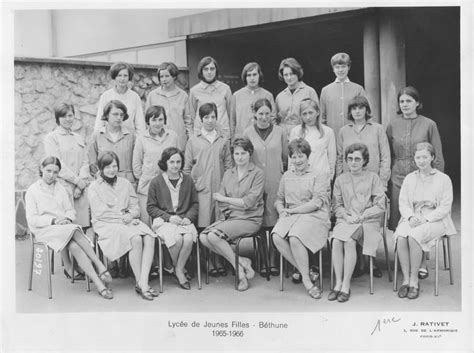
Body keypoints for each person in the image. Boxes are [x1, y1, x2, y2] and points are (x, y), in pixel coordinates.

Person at [25, 157, 113, 299]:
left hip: (63, 229)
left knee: (74, 246)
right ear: (41, 168)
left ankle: (99, 284)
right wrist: (53, 220)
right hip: (44, 230)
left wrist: (66, 219)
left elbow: (70, 210)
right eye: (48, 171)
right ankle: (100, 266)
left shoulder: (61, 188)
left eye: (55, 172)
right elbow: (32, 219)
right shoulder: (32, 191)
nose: (51, 175)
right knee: (75, 230)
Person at [386, 86, 445, 279]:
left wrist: (436, 181)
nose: (405, 105)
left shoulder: (429, 124)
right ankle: (403, 258)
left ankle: (421, 262)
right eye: (402, 101)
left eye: (409, 101)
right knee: (401, 217)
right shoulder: (392, 125)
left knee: (422, 217)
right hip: (398, 177)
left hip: (424, 177)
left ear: (417, 103)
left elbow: (437, 155)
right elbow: (387, 154)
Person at [88, 151, 158, 300]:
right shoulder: (94, 187)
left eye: (114, 166)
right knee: (136, 238)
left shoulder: (125, 183)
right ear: (101, 168)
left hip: (127, 221)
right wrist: (123, 218)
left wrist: (131, 215)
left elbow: (136, 207)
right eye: (107, 167)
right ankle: (141, 283)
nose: (112, 170)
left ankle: (142, 281)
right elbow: (100, 213)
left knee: (150, 236)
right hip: (106, 224)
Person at [199, 137, 265, 291]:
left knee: (213, 236)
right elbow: (220, 202)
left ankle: (240, 274)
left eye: (243, 153)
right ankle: (242, 261)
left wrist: (227, 200)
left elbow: (249, 202)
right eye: (236, 154)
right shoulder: (229, 173)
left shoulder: (257, 173)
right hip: (232, 217)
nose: (240, 157)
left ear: (250, 153)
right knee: (203, 237)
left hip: (250, 218)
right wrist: (231, 205)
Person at [393, 142, 455, 299]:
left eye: (425, 157)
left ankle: (414, 281)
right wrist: (410, 216)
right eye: (418, 157)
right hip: (413, 216)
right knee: (401, 235)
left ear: (432, 157)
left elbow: (445, 207)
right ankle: (405, 280)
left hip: (435, 219)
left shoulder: (443, 179)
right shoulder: (409, 178)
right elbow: (403, 202)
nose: (421, 161)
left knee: (414, 236)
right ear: (414, 159)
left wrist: (425, 219)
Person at [272, 138, 331, 299]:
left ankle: (306, 280)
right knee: (276, 236)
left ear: (308, 157)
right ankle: (308, 272)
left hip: (313, 215)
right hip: (291, 215)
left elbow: (317, 202)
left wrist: (293, 211)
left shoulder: (318, 174)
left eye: (301, 156)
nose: (297, 161)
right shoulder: (287, 175)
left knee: (294, 237)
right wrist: (281, 209)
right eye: (294, 157)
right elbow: (278, 199)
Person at [329, 143, 385, 303]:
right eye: (350, 159)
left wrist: (361, 216)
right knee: (336, 241)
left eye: (357, 159)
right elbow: (336, 205)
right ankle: (338, 282)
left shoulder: (373, 178)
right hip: (346, 220)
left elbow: (380, 205)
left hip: (367, 221)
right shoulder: (340, 180)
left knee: (348, 241)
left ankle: (346, 285)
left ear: (364, 160)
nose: (353, 162)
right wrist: (346, 217)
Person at [184, 102, 233, 276]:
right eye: (206, 117)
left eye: (213, 117)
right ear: (201, 119)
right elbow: (187, 168)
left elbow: (229, 166)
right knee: (204, 224)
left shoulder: (223, 139)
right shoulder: (194, 140)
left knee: (218, 224)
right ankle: (209, 261)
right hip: (201, 189)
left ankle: (219, 258)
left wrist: (227, 187)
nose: (210, 120)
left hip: (220, 189)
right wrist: (193, 185)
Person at [243, 98, 288, 276]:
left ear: (272, 114)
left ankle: (274, 258)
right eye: (260, 113)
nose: (263, 117)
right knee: (259, 220)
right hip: (255, 182)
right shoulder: (247, 132)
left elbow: (285, 157)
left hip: (276, 180)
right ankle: (261, 259)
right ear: (254, 114)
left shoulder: (280, 132)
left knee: (276, 219)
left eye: (267, 113)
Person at [147, 147, 199, 290]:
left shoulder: (188, 180)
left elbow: (195, 203)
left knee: (188, 239)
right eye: (172, 162)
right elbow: (151, 207)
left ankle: (177, 268)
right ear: (165, 163)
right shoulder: (156, 182)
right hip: (165, 221)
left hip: (184, 220)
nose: (175, 165)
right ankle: (181, 271)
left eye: (178, 162)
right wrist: (168, 217)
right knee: (177, 239)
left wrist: (189, 217)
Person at [43, 103, 91, 228]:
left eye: (70, 115)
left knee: (82, 227)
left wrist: (80, 185)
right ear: (57, 118)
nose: (68, 119)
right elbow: (57, 164)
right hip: (62, 187)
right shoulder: (51, 138)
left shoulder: (78, 137)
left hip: (80, 189)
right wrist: (76, 180)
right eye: (63, 116)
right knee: (66, 227)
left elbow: (85, 162)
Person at [132, 105, 179, 225]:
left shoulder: (172, 136)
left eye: (160, 119)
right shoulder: (141, 138)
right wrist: (145, 176)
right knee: (146, 222)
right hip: (147, 187)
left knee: (166, 222)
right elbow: (136, 164)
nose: (157, 123)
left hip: (168, 185)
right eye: (154, 120)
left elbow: (178, 159)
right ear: (148, 121)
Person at [336, 96, 390, 189]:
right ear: (350, 111)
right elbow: (340, 159)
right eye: (354, 108)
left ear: (367, 110)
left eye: (361, 108)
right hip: (349, 183)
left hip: (373, 181)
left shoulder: (378, 129)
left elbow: (385, 157)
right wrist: (339, 181)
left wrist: (383, 181)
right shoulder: (343, 131)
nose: (357, 111)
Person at [145, 62, 192, 150]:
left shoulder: (183, 96)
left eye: (167, 76)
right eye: (161, 77)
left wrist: (191, 140)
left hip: (179, 142)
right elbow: (147, 121)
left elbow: (188, 121)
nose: (164, 79)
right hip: (158, 142)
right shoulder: (152, 95)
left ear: (174, 76)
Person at [89, 100, 136, 187]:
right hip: (104, 184)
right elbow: (92, 161)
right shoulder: (97, 135)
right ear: (107, 115)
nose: (119, 118)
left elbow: (137, 161)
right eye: (115, 114)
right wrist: (99, 177)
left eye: (122, 115)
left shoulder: (131, 136)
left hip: (126, 183)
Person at [320, 52, 366, 139]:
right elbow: (322, 117)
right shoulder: (326, 90)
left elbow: (365, 113)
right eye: (337, 67)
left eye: (343, 66)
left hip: (355, 135)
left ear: (348, 67)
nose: (340, 70)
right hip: (333, 135)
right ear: (333, 69)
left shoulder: (358, 89)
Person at [289, 98, 336, 183]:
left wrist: (330, 176)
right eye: (304, 114)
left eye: (311, 113)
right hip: (301, 178)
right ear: (300, 116)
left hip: (322, 178)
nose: (308, 117)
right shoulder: (295, 131)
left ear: (317, 112)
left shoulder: (328, 131)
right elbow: (291, 158)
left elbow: (332, 158)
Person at [93, 62, 145, 135]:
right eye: (119, 75)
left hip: (129, 139)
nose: (122, 79)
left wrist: (138, 142)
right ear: (115, 77)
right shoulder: (106, 96)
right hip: (109, 139)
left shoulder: (135, 97)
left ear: (129, 77)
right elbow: (99, 122)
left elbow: (140, 125)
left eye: (125, 75)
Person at [189, 56, 232, 138]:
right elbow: (192, 116)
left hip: (222, 135)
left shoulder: (225, 89)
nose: (209, 72)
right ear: (201, 71)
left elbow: (231, 114)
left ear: (216, 70)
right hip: (201, 136)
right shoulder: (194, 91)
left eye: (212, 69)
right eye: (206, 69)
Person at [275, 57, 319, 136]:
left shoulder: (309, 92)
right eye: (285, 75)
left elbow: (318, 116)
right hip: (284, 137)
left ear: (297, 73)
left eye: (291, 74)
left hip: (304, 135)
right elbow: (276, 120)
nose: (289, 77)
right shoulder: (280, 97)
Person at [231, 62, 276, 137]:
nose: (252, 78)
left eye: (254, 74)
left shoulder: (268, 95)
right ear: (245, 77)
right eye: (249, 75)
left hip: (262, 139)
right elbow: (233, 121)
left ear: (259, 76)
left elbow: (272, 119)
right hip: (242, 138)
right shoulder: (236, 96)